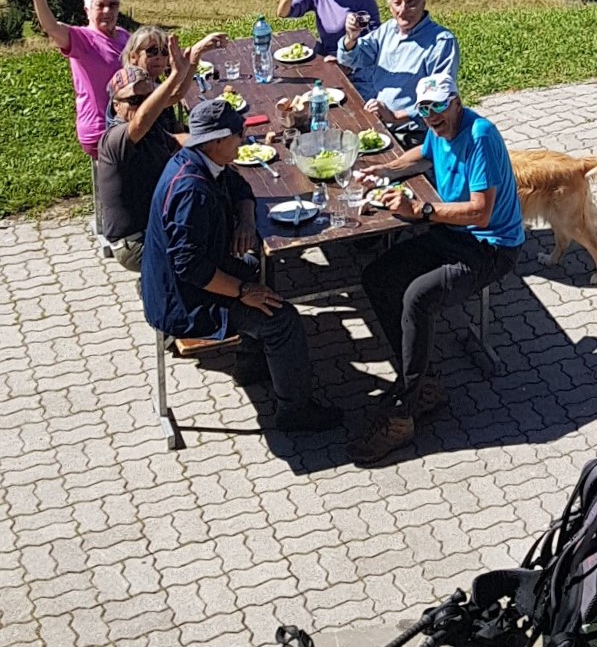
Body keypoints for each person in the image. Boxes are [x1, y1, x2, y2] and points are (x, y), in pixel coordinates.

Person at [141, 100, 337, 434]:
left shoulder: (202, 162)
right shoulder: (192, 190)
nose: (243, 140)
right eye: (238, 134)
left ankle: (252, 363)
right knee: (282, 319)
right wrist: (243, 291)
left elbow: (239, 186)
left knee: (259, 265)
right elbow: (190, 267)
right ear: (217, 140)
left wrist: (245, 220)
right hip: (183, 302)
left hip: (192, 281)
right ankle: (295, 412)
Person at [357, 77, 525, 463]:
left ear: (457, 102)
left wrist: (421, 210)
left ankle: (403, 412)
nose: (431, 116)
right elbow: (422, 155)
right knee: (378, 277)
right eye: (424, 109)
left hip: (491, 247)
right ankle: (426, 384)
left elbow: (481, 213)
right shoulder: (438, 130)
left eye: (438, 106)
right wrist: (383, 170)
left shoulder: (480, 136)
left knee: (419, 297)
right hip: (451, 234)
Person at [16, 0, 129, 229]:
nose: (107, 11)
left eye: (113, 5)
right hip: (101, 128)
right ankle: (123, 227)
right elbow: (52, 27)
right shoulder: (82, 39)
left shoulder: (124, 36)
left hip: (125, 121)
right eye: (100, 5)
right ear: (87, 10)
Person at [97, 34, 192, 267]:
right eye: (134, 100)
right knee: (199, 258)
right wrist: (176, 75)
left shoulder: (150, 130)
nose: (142, 106)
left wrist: (218, 144)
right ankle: (156, 283)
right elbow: (141, 121)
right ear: (116, 105)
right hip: (134, 242)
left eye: (148, 99)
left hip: (155, 225)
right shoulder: (116, 137)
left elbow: (177, 140)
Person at [337, 0, 459, 119]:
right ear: (390, 7)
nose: (403, 10)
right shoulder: (388, 29)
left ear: (423, 3)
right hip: (378, 116)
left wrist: (395, 116)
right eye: (397, 3)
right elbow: (352, 59)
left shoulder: (441, 42)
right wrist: (351, 38)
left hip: (411, 127)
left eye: (411, 3)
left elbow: (441, 101)